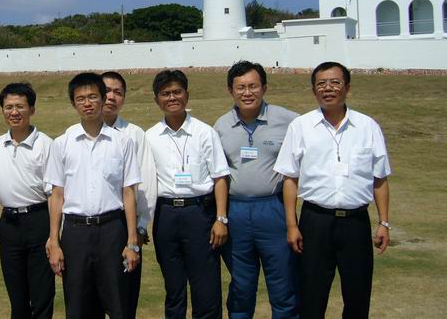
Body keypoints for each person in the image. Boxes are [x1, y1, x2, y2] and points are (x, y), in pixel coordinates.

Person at [274, 61, 391, 319]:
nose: (328, 88)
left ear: (347, 87)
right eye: (322, 84)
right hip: (315, 221)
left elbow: (380, 178)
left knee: (358, 295)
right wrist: (292, 225)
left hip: (356, 223)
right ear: (314, 90)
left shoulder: (367, 126)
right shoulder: (301, 126)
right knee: (312, 296)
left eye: (335, 83)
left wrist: (384, 222)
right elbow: (290, 178)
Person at [44, 72, 142, 318]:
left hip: (112, 230)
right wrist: (54, 241)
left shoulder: (122, 142)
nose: (87, 103)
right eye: (80, 99)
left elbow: (128, 192)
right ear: (73, 103)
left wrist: (132, 242)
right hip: (75, 233)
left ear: (102, 99)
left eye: (92, 97)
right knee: (78, 306)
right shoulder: (62, 143)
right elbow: (57, 194)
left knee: (118, 304)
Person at [213, 61, 299, 318]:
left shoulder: (289, 121)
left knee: (283, 282)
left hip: (273, 209)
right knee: (241, 284)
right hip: (236, 211)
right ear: (231, 91)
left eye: (253, 86)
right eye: (240, 87)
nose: (247, 93)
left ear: (264, 88)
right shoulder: (221, 126)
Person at [146, 69, 230, 319]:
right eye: (165, 93)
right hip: (166, 215)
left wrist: (221, 218)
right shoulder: (149, 137)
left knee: (206, 287)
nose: (172, 98)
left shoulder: (205, 132)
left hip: (199, 213)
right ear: (156, 99)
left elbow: (220, 177)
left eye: (177, 92)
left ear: (187, 94)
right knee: (174, 288)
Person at [0, 83, 55, 319]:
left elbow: (54, 194)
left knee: (41, 296)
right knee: (17, 298)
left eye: (20, 106)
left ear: (32, 110)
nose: (14, 112)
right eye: (8, 107)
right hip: (9, 224)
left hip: (39, 221)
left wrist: (54, 236)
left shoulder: (46, 144)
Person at [100, 71, 157, 319]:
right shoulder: (75, 134)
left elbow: (146, 185)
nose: (111, 97)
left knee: (123, 299)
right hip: (89, 228)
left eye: (118, 92)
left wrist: (141, 226)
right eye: (106, 91)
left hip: (126, 225)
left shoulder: (134, 134)